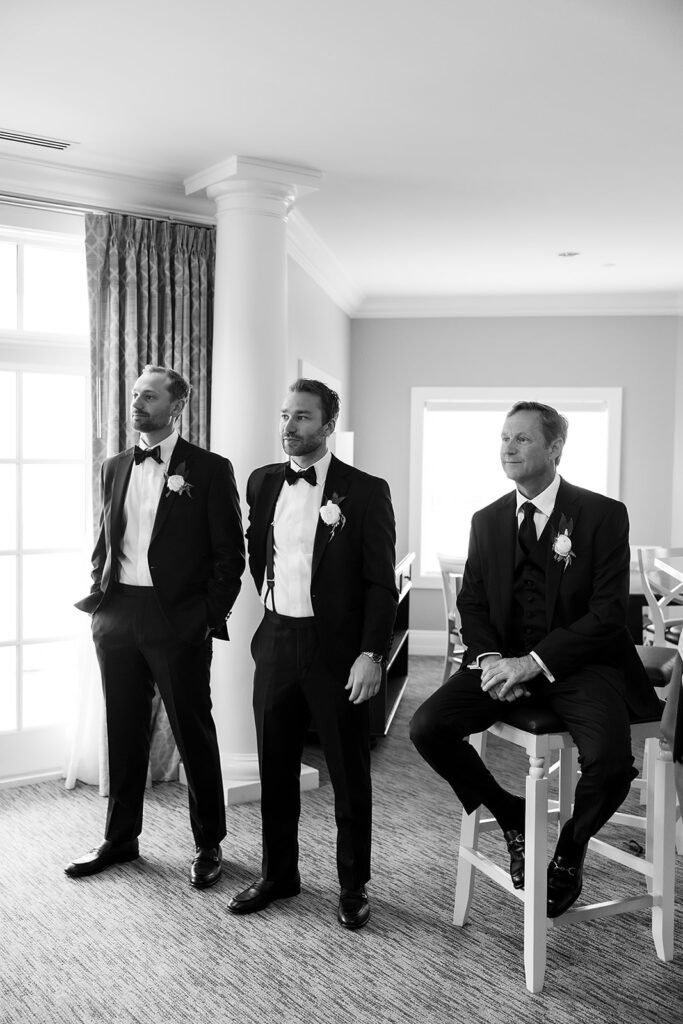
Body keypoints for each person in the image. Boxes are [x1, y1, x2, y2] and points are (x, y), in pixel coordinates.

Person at [410, 400, 661, 918]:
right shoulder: (486, 519)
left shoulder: (602, 514)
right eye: (504, 438)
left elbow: (608, 614)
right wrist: (492, 660)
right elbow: (472, 603)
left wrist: (535, 662)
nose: (508, 447)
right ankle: (511, 815)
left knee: (612, 763)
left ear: (555, 447)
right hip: (502, 663)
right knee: (427, 727)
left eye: (522, 438)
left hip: (584, 665)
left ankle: (570, 849)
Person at [227, 378, 397, 929]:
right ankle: (279, 874)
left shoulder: (365, 491)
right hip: (276, 639)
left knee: (348, 770)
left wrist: (371, 653)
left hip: (337, 650)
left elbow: (380, 584)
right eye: (285, 415)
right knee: (275, 765)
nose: (289, 426)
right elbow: (257, 554)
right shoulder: (261, 481)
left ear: (328, 425)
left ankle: (353, 885)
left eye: (302, 416)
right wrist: (274, 609)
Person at [66, 365, 245, 888]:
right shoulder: (114, 466)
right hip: (118, 614)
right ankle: (120, 839)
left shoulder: (209, 469)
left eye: (149, 396)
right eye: (136, 395)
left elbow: (230, 556)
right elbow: (105, 540)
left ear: (177, 406)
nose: (138, 403)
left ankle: (208, 843)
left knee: (193, 731)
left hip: (178, 621)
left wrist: (204, 619)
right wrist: (101, 603)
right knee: (123, 728)